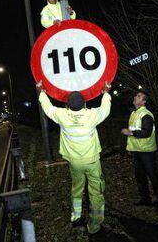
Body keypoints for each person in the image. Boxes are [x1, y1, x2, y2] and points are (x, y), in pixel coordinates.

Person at [36, 80, 111, 235]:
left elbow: (48, 108)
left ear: (68, 105)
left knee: (77, 189)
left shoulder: (62, 116)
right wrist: (106, 93)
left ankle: (76, 217)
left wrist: (41, 92)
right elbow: (105, 109)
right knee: (96, 192)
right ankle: (95, 225)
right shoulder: (92, 115)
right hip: (92, 161)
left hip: (74, 163)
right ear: (84, 104)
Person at [121, 91, 158, 206]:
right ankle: (145, 199)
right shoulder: (134, 113)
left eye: (139, 97)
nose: (135, 97)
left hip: (146, 151)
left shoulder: (146, 115)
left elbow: (146, 132)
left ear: (144, 102)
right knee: (140, 176)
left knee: (152, 175)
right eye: (136, 96)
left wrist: (130, 132)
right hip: (137, 150)